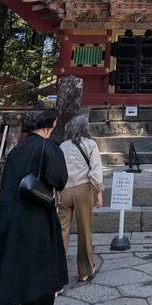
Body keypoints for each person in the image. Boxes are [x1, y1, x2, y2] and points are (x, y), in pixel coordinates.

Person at [0, 110, 68, 305]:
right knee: (39, 285)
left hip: (8, 223)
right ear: (53, 123)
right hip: (36, 223)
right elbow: (59, 179)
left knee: (6, 281)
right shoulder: (49, 148)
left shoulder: (16, 150)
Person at [58, 115, 103, 283]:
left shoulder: (62, 146)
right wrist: (99, 192)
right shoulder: (90, 145)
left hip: (64, 190)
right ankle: (84, 271)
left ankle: (57, 276)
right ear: (86, 128)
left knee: (62, 232)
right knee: (85, 230)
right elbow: (96, 171)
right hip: (83, 189)